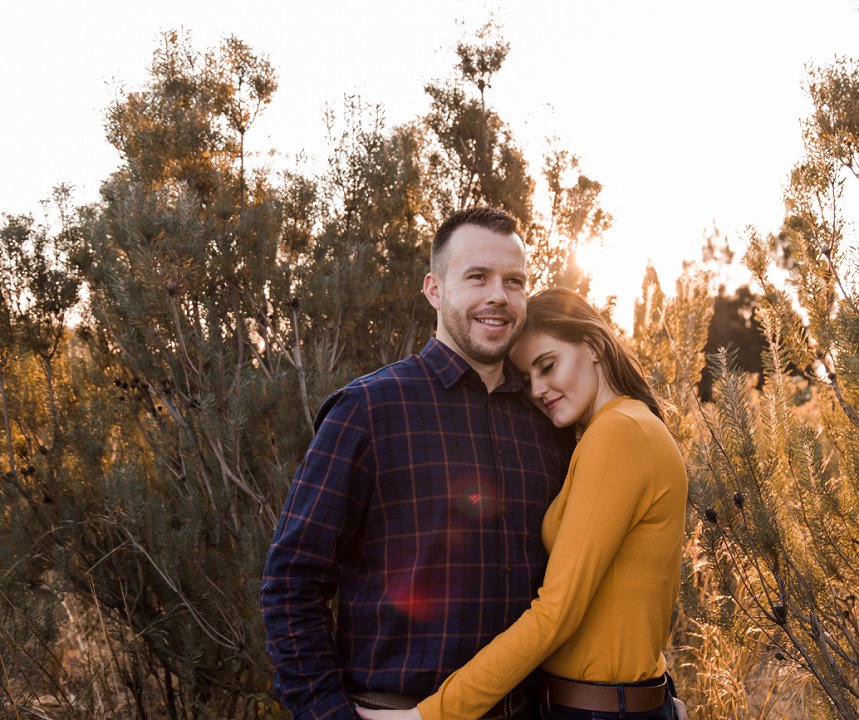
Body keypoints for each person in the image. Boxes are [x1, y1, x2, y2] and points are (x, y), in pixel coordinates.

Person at [260, 208, 575, 720]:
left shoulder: (549, 424)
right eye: (477, 277)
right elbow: (293, 581)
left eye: (514, 281)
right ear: (434, 289)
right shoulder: (368, 410)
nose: (498, 295)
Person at [358, 287, 689, 720]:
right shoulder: (621, 428)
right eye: (528, 376)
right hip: (610, 704)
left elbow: (556, 613)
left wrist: (428, 716)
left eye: (547, 365)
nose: (538, 388)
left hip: (600, 710)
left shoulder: (619, 434)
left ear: (592, 345)